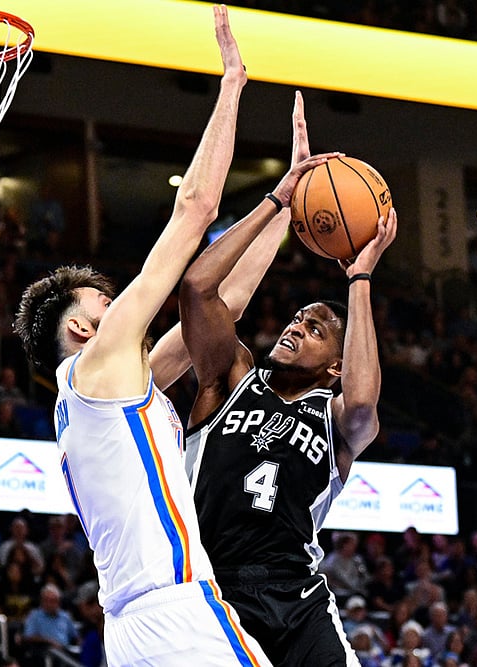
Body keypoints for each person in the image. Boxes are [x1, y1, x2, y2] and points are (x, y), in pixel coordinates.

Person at [12, 7, 338, 665]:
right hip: (175, 610)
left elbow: (225, 300)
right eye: (107, 301)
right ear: (82, 325)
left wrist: (289, 204)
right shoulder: (101, 362)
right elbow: (194, 213)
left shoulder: (106, 393)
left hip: (134, 629)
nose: (125, 306)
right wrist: (232, 87)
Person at [178, 85, 397, 664]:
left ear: (333, 365)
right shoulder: (228, 377)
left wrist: (359, 280)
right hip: (215, 589)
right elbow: (198, 287)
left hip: (298, 596)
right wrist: (277, 200)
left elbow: (364, 405)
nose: (301, 320)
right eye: (301, 315)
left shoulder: (335, 416)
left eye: (320, 327)